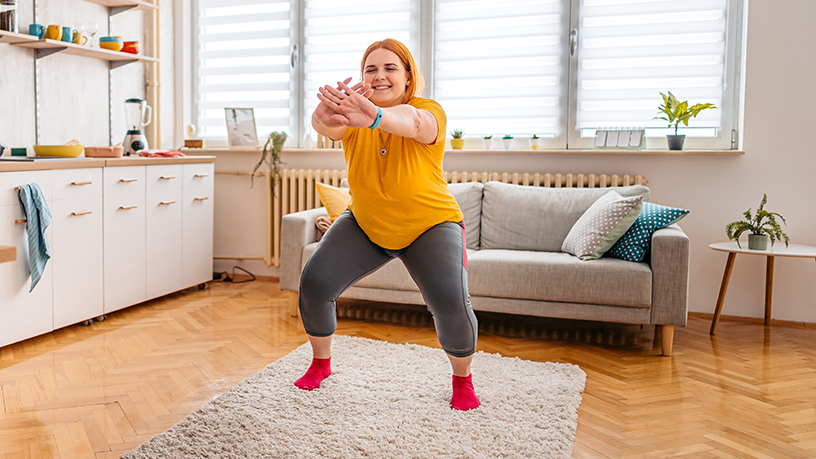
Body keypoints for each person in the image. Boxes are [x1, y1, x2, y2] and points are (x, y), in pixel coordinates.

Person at [295, 38, 480, 411]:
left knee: (449, 300)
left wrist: (375, 117)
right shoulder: (353, 117)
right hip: (366, 223)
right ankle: (321, 363)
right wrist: (322, 116)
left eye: (390, 68)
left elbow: (413, 124)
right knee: (314, 283)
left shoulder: (428, 110)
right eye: (371, 69)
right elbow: (327, 126)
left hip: (431, 224)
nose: (379, 76)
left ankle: (463, 381)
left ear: (409, 78)